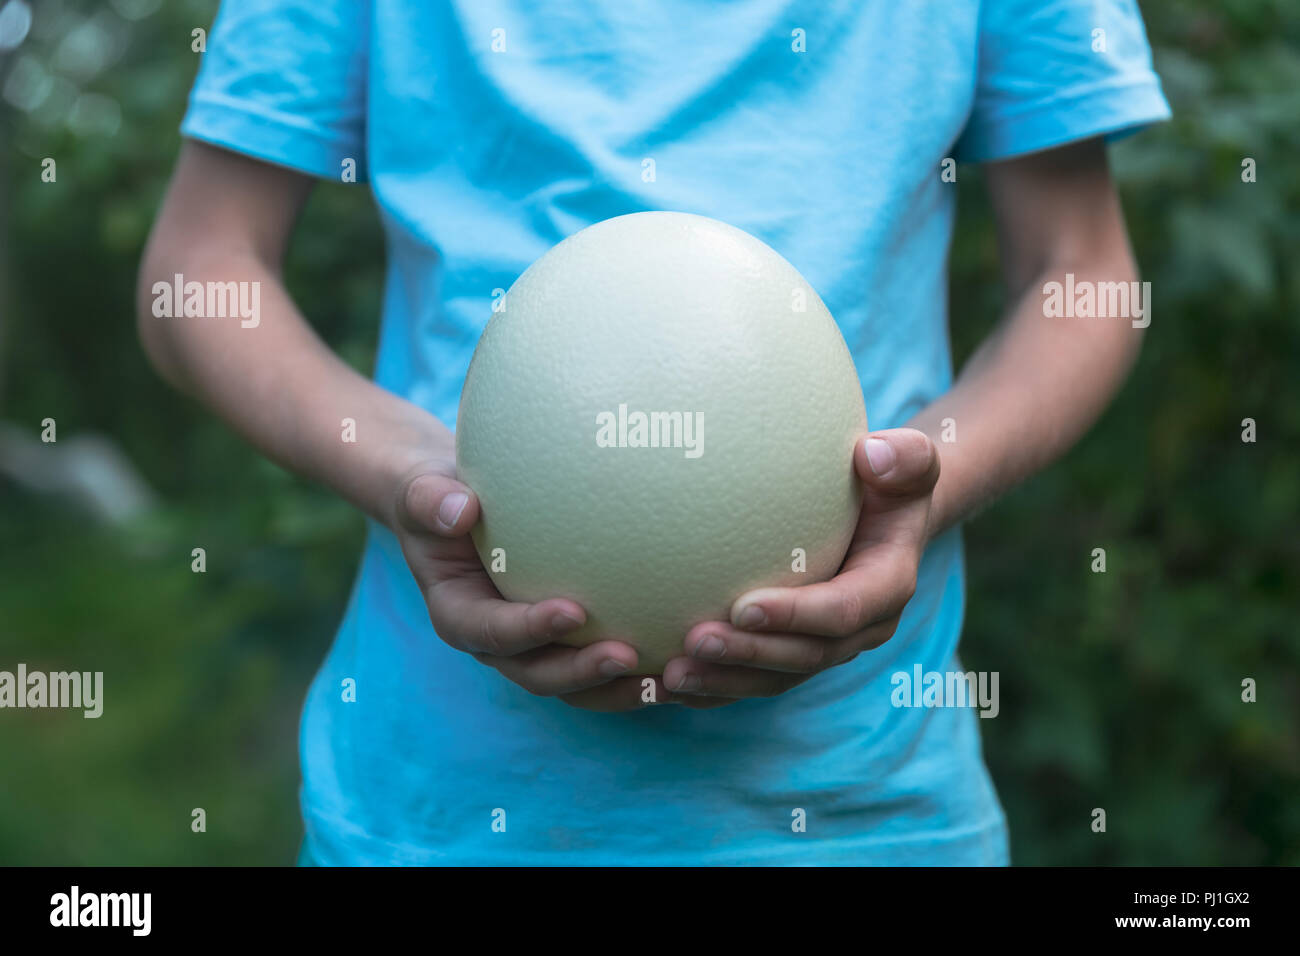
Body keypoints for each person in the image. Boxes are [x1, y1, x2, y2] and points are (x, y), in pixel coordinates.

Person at [137, 0, 1170, 865]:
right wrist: (407, 469)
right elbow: (201, 269)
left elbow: (1079, 271)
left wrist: (926, 482)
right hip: (438, 813)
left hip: (864, 812)